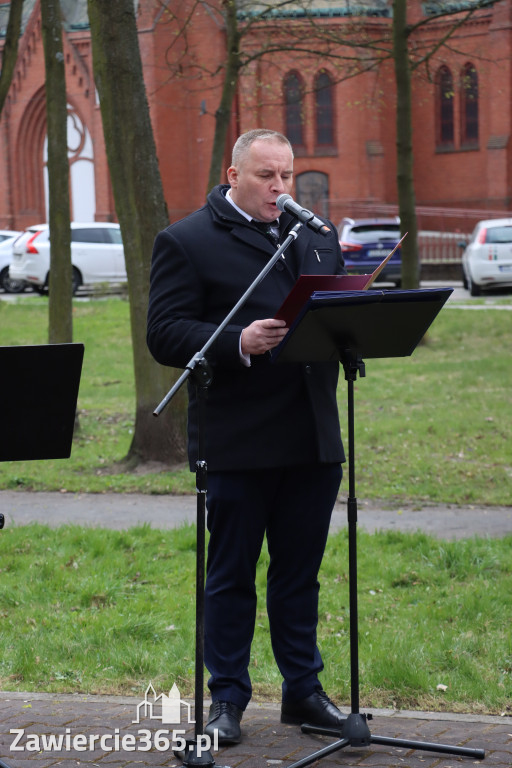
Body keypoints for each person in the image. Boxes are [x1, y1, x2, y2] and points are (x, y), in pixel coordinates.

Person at [147, 129, 346, 745]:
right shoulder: (187, 240)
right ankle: (226, 699)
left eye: (287, 176)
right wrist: (236, 342)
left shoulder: (316, 238)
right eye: (267, 176)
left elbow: (334, 315)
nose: (281, 189)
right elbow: (165, 332)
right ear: (234, 175)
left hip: (310, 436)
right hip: (237, 437)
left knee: (299, 574)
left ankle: (304, 693)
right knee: (231, 575)